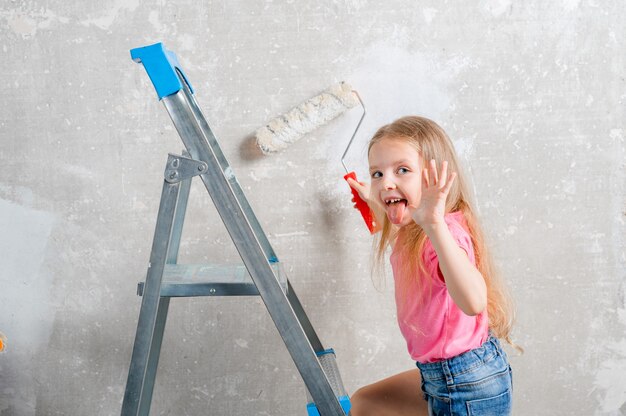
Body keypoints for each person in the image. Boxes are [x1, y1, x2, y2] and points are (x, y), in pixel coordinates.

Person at [346, 116, 516, 416]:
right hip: (446, 375)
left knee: (366, 404)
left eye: (402, 170)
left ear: (435, 177)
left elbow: (474, 301)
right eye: (377, 173)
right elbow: (398, 223)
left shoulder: (440, 234)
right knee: (365, 402)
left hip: (464, 383)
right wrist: (371, 200)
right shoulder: (416, 230)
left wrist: (435, 225)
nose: (386, 182)